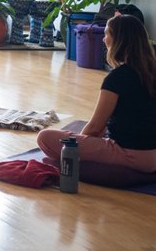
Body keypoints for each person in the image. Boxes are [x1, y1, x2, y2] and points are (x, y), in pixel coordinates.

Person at [37, 14, 156, 172]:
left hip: (130, 155)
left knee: (45, 137)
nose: (103, 39)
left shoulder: (117, 77)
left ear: (119, 40)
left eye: (107, 34)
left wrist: (82, 141)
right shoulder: (152, 71)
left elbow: (94, 128)